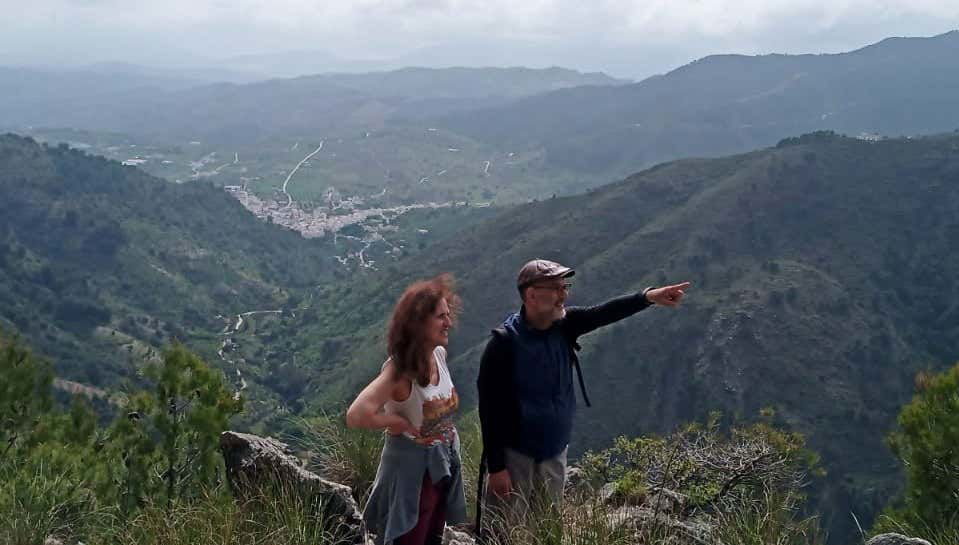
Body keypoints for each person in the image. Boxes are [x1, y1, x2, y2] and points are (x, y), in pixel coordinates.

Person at [476, 259, 690, 530]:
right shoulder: (503, 345)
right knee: (506, 532)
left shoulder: (565, 326)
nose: (564, 295)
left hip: (554, 451)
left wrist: (647, 297)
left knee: (546, 532)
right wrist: (496, 468)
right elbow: (489, 410)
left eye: (565, 286)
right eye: (555, 288)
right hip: (515, 457)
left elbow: (602, 313)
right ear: (531, 294)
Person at [347, 274, 467, 545]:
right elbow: (357, 414)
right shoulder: (398, 372)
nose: (449, 323)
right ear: (418, 323)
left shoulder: (438, 355)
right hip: (411, 478)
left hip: (440, 468)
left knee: (432, 538)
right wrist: (396, 423)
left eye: (448, 315)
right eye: (440, 317)